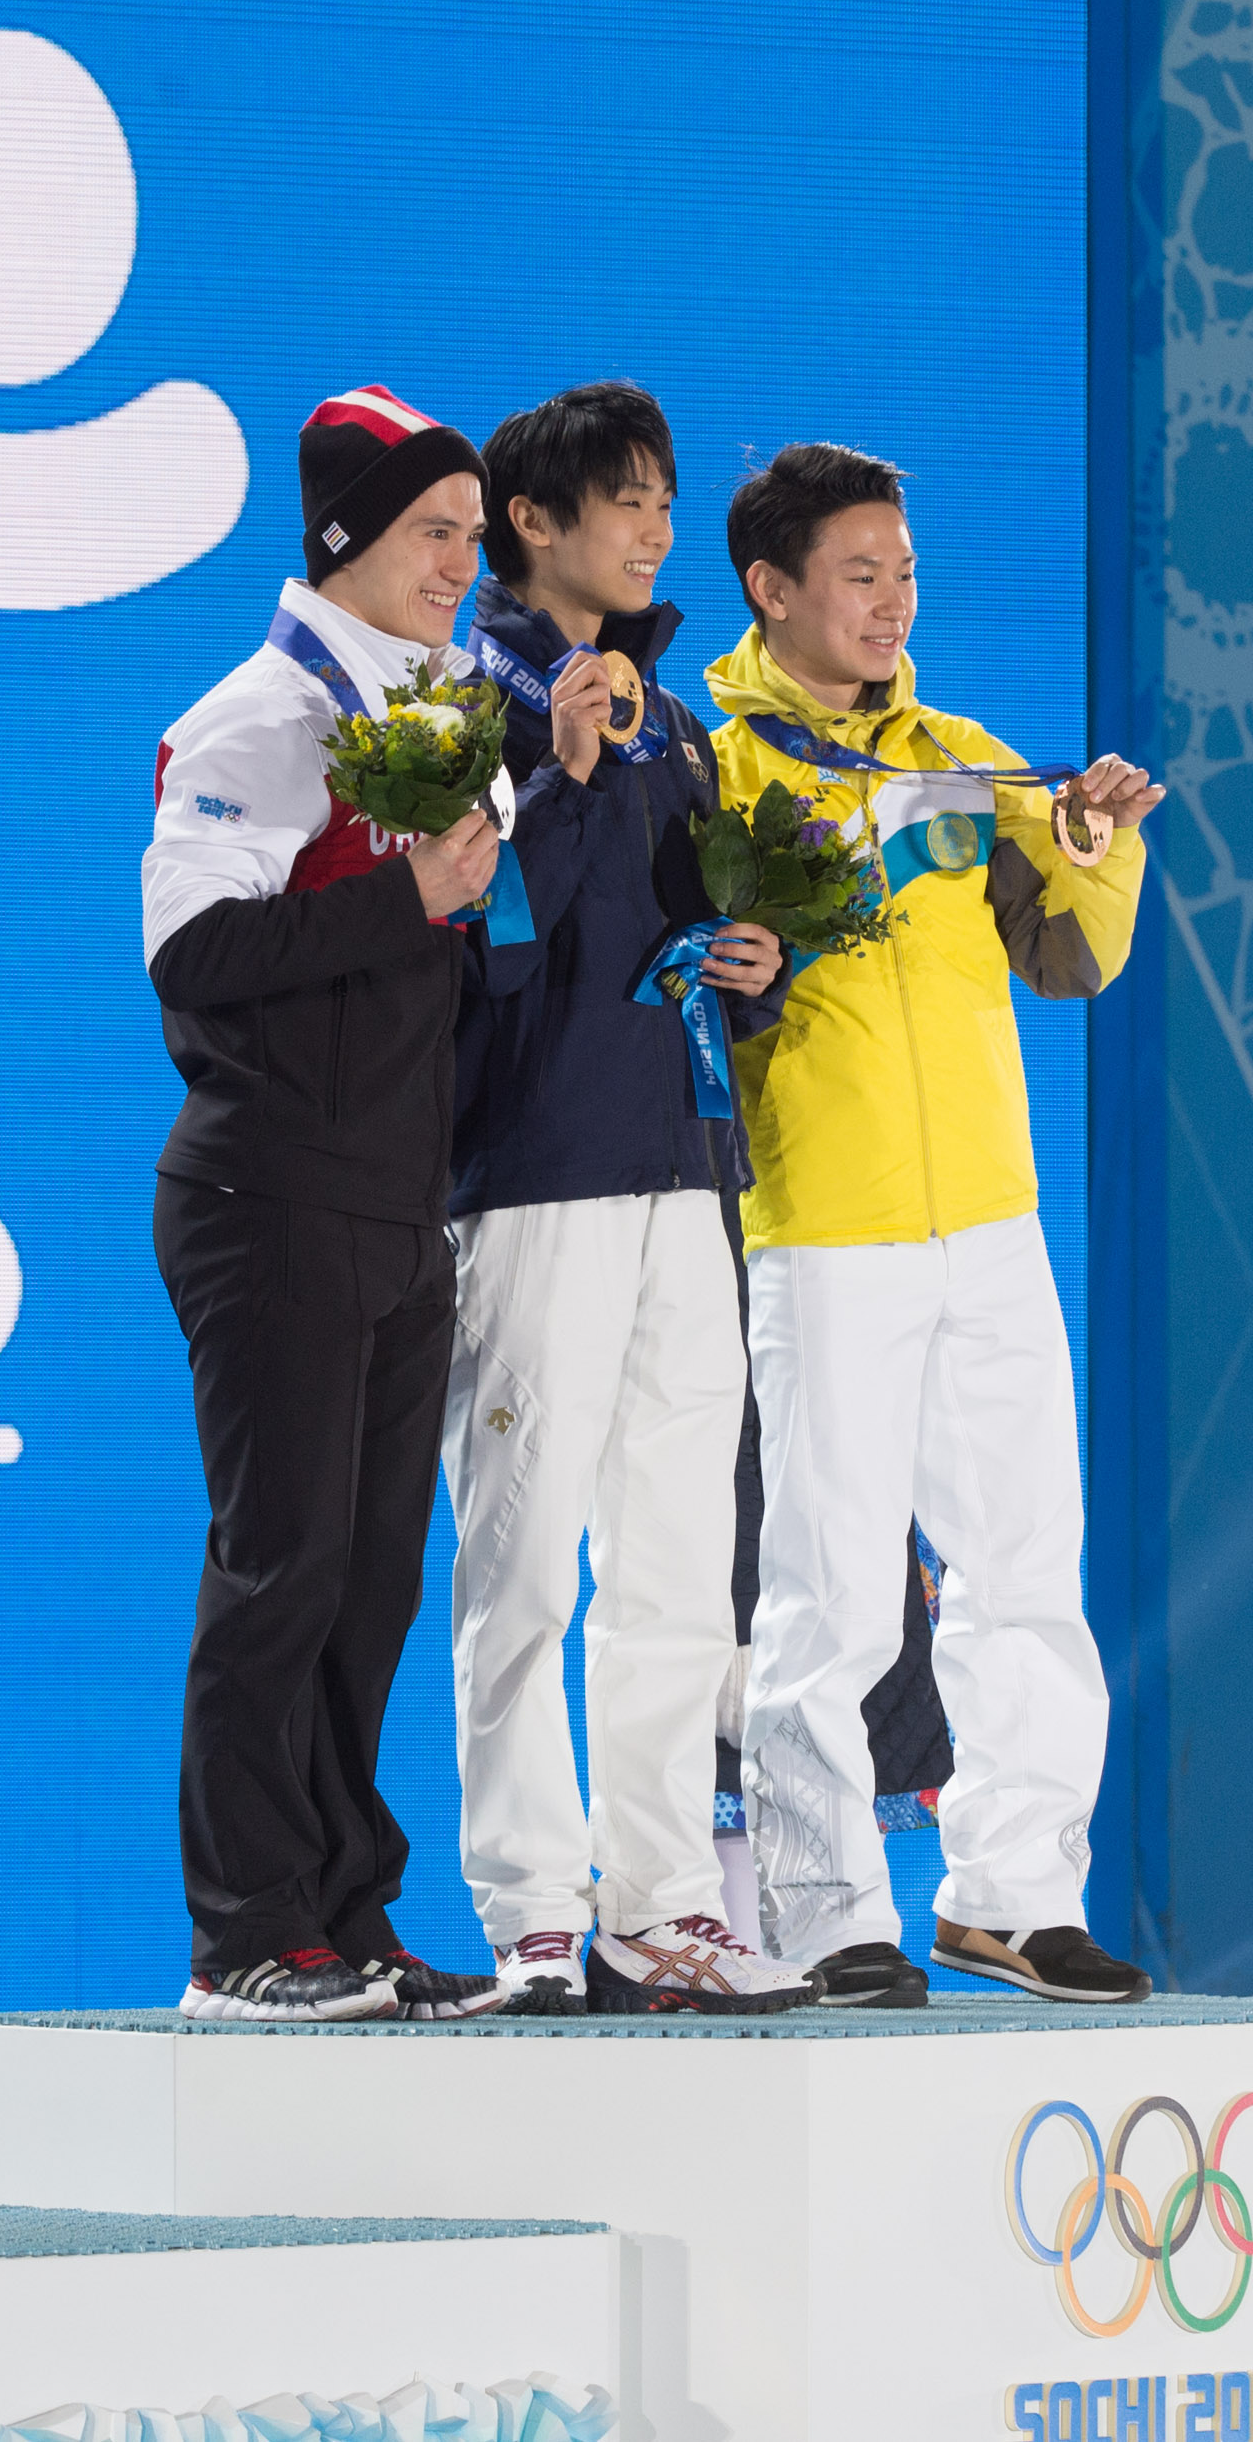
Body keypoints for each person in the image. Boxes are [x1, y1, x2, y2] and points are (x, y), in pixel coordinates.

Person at [704, 442, 1165, 2009]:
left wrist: (1095, 845)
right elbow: (686, 989)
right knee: (829, 1589)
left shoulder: (965, 761)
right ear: (772, 589)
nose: (893, 601)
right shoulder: (717, 776)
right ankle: (827, 1908)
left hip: (989, 1218)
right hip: (824, 1225)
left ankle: (1014, 1896)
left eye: (904, 572)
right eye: (860, 574)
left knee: (1025, 1563)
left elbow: (1069, 960)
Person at [140, 385, 512, 2023]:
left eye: (473, 537)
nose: (461, 565)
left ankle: (346, 1916)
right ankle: (243, 1935)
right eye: (434, 531)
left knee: (370, 1589)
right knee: (280, 1569)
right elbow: (192, 959)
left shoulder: (440, 720)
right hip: (268, 1194)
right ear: (346, 538)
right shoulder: (259, 719)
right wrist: (402, 894)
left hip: (394, 1210)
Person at [441, 383, 814, 2015]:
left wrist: (753, 974)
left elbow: (674, 941)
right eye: (629, 498)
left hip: (684, 1170)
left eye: (666, 498)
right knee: (525, 1558)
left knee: (677, 1562)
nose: (660, 528)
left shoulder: (675, 722)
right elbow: (486, 954)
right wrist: (562, 773)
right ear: (533, 522)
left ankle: (659, 1905)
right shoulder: (469, 708)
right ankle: (533, 1907)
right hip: (537, 1176)